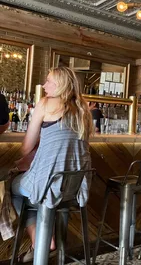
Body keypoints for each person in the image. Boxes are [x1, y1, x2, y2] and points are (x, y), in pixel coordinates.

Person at [10, 67, 93, 262]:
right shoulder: (83, 108)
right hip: (74, 186)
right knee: (42, 194)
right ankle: (47, 239)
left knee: (13, 187)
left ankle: (39, 239)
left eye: (49, 81)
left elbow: (25, 148)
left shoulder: (45, 103)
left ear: (61, 84)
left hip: (48, 183)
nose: (44, 85)